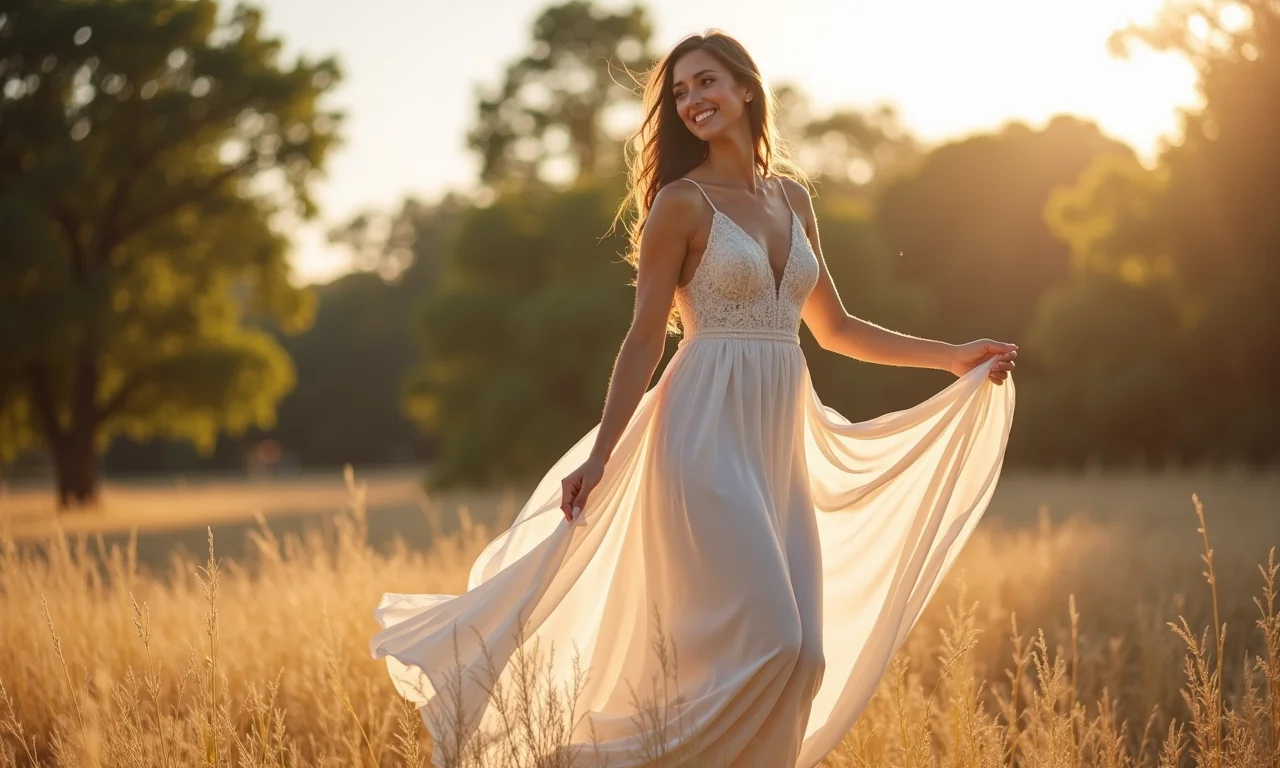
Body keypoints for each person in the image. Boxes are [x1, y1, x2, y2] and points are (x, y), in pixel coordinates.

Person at [371, 29, 1016, 768]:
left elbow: (836, 329)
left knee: (805, 661)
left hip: (779, 443)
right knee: (776, 643)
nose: (691, 101)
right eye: (679, 92)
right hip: (702, 436)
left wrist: (950, 357)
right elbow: (644, 339)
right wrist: (602, 456)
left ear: (746, 88)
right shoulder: (679, 204)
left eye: (705, 82)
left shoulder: (793, 199)